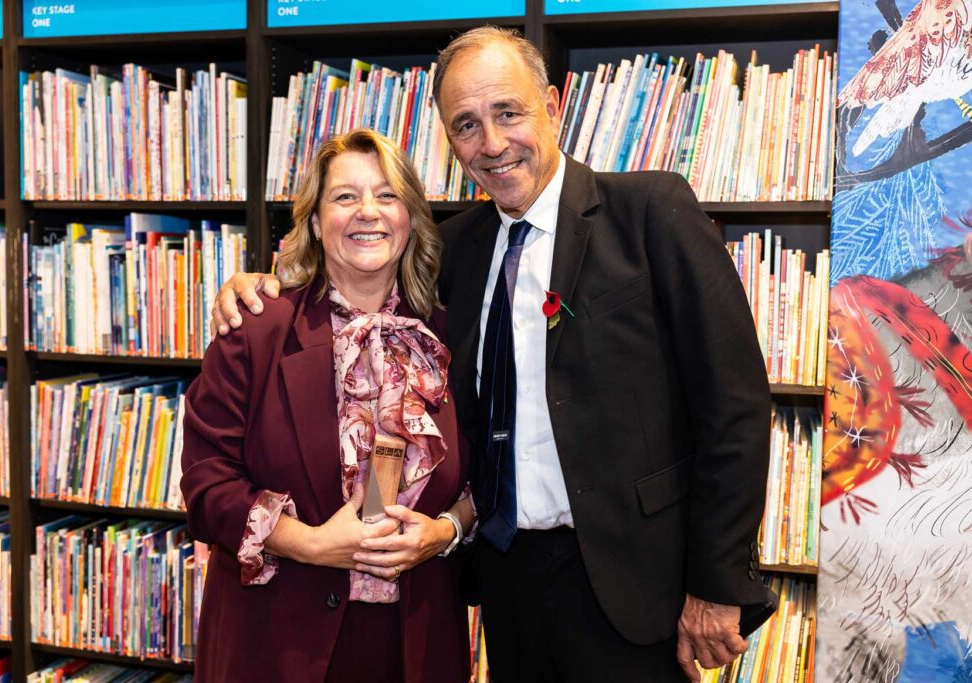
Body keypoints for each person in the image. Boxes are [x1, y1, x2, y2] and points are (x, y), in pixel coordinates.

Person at [211, 27, 774, 682]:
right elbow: (354, 294)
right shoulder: (453, 252)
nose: (493, 143)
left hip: (636, 584)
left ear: (554, 105)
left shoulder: (651, 213)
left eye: (509, 112)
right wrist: (260, 285)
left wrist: (718, 580)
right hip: (505, 583)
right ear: (451, 143)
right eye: (467, 125)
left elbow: (733, 404)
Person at [181, 128, 476, 683]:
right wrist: (312, 544)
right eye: (345, 197)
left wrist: (443, 533)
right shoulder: (255, 327)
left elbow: (486, 476)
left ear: (410, 218)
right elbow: (206, 486)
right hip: (276, 648)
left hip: (417, 645)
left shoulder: (448, 336)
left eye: (387, 195)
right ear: (316, 223)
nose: (369, 211)